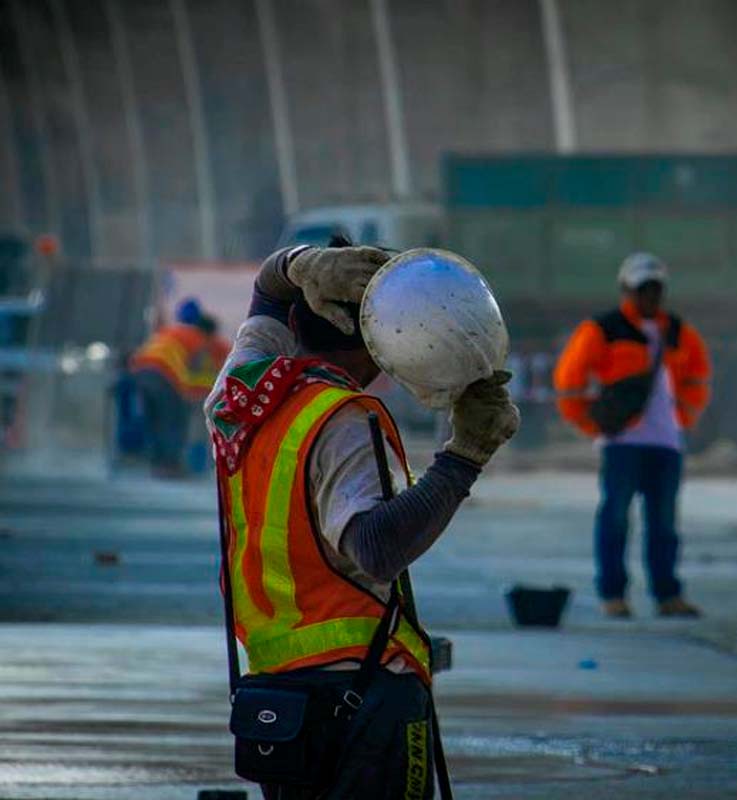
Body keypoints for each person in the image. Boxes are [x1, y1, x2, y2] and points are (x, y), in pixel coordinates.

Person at [205, 244, 518, 799]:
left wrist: (299, 263)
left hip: (277, 697)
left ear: (298, 319)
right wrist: (464, 456)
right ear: (383, 342)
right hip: (363, 697)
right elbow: (375, 548)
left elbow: (268, 292)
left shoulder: (238, 397)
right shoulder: (345, 417)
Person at [553, 252, 711, 619]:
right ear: (626, 290)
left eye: (656, 289)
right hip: (623, 445)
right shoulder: (603, 329)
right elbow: (568, 381)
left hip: (666, 445)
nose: (650, 297)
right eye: (643, 289)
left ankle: (667, 594)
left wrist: (682, 418)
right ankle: (613, 595)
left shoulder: (678, 332)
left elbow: (698, 378)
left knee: (664, 525)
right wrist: (593, 425)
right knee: (615, 519)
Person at [130, 298, 218, 475]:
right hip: (164, 375)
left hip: (139, 372)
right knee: (172, 420)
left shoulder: (168, 331)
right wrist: (209, 388)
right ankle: (169, 466)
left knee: (154, 419)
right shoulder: (197, 337)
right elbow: (198, 370)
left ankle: (156, 464)